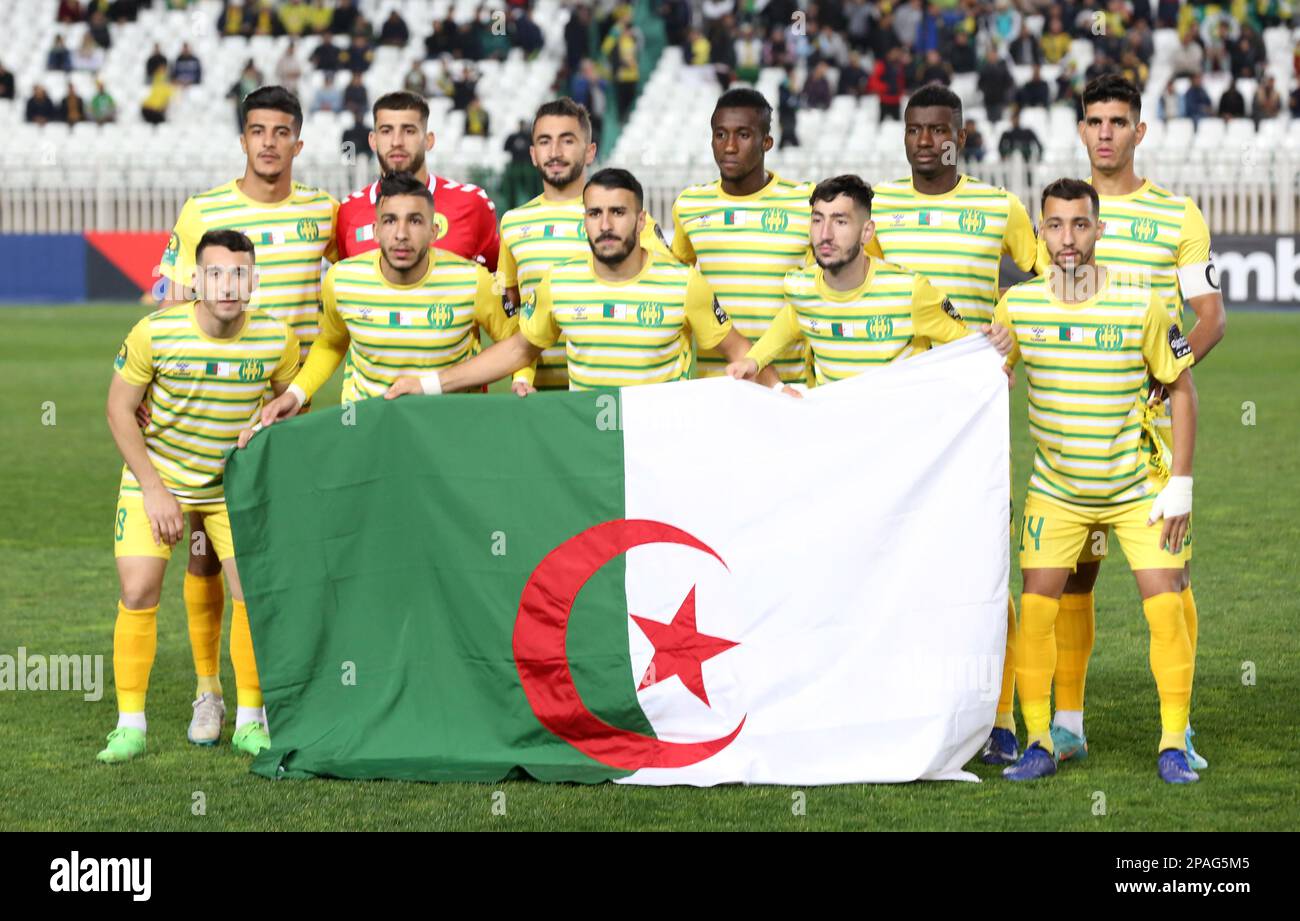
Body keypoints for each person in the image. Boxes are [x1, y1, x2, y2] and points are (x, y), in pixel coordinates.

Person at [1032, 75, 1223, 770]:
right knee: (1074, 580)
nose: (1105, 132)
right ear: (1080, 131)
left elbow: (1210, 316)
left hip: (1149, 438)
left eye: (1118, 121)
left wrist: (1160, 375)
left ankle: (1180, 728)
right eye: (1094, 120)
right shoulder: (1058, 214)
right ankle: (1070, 722)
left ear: (1140, 131)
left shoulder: (1177, 215)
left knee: (1170, 580)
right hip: (1073, 439)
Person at [998, 179, 1201, 784]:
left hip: (1136, 487)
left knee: (1164, 605)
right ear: (1040, 232)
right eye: (1055, 225)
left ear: (1099, 230)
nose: (1067, 238)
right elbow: (982, 379)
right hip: (1057, 491)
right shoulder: (1018, 306)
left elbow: (1183, 390)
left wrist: (1181, 485)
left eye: (1079, 225)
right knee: (1036, 609)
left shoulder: (1141, 303)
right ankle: (1041, 740)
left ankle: (1172, 744)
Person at [154, 89, 339, 737]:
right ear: (242, 139)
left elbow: (350, 293)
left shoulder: (324, 212)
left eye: (281, 131)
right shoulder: (203, 210)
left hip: (293, 412)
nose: (268, 142)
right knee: (205, 553)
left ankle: (271, 699)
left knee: (279, 562)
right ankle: (211, 694)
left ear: (298, 143)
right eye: (257, 130)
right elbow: (171, 307)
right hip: (218, 419)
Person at [865, 83, 1038, 764]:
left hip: (969, 407)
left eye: (940, 130)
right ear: (903, 135)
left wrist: (1007, 349)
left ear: (960, 138)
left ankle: (999, 717)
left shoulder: (1001, 206)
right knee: (897, 558)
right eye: (915, 129)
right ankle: (903, 701)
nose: (926, 140)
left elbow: (1045, 282)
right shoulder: (875, 208)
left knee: (982, 561)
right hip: (895, 407)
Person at [99, 229, 299, 762]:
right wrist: (154, 490)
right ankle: (130, 726)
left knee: (250, 593)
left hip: (230, 488)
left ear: (253, 280)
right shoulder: (155, 333)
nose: (227, 284)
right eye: (215, 273)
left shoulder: (277, 339)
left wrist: (269, 426)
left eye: (238, 273)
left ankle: (250, 721)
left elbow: (291, 403)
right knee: (139, 588)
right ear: (196, 280)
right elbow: (119, 410)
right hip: (159, 479)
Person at [383, 168, 780, 397]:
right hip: (588, 444)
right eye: (594, 214)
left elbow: (738, 350)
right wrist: (428, 384)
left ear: (641, 221)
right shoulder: (560, 283)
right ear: (584, 220)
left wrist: (780, 394)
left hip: (660, 447)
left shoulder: (683, 284)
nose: (605, 225)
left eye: (618, 212)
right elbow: (518, 349)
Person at [247, 172, 516, 430]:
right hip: (367, 431)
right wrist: (295, 394)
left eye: (414, 221)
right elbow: (330, 343)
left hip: (447, 433)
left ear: (434, 231)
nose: (401, 233)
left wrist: (523, 381)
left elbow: (515, 344)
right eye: (389, 221)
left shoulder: (472, 280)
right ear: (375, 231)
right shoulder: (341, 280)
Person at [727, 174, 1011, 388]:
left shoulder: (909, 292)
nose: (825, 234)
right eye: (817, 220)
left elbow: (966, 346)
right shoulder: (799, 287)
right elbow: (791, 321)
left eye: (840, 222)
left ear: (866, 232)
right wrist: (754, 360)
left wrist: (993, 349)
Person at [498, 98, 675, 390]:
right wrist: (521, 375)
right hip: (538, 395)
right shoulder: (513, 223)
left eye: (567, 141)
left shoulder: (625, 217)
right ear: (532, 153)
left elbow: (669, 292)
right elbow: (513, 311)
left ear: (590, 151)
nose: (554, 152)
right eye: (545, 141)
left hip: (613, 388)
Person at [671, 88, 814, 383]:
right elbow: (675, 289)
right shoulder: (689, 206)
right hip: (717, 383)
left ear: (767, 142)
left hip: (789, 384)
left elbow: (818, 295)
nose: (730, 146)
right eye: (720, 135)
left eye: (743, 135)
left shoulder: (806, 203)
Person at [333, 92, 500, 270]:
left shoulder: (471, 204)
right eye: (386, 131)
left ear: (429, 141)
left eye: (409, 131)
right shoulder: (348, 211)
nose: (397, 142)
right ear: (373, 141)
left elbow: (499, 281)